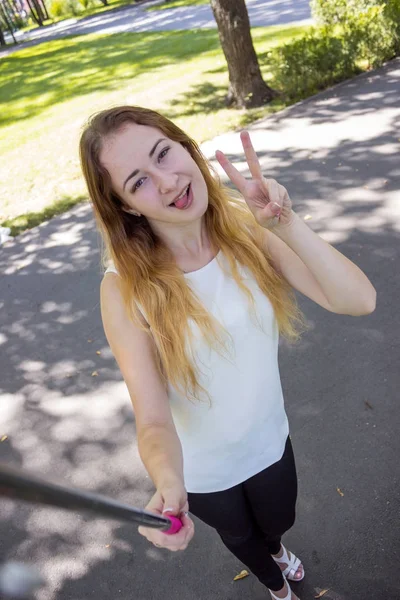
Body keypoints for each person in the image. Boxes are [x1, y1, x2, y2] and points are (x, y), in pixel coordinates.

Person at [79, 106, 376, 600]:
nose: (169, 182)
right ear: (126, 206)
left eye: (164, 154)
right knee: (239, 536)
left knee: (279, 520)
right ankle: (275, 585)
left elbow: (358, 301)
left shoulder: (246, 228)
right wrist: (168, 479)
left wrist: (285, 222)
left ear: (185, 146)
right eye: (139, 181)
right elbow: (151, 419)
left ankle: (278, 552)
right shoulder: (124, 290)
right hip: (204, 471)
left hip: (268, 437)